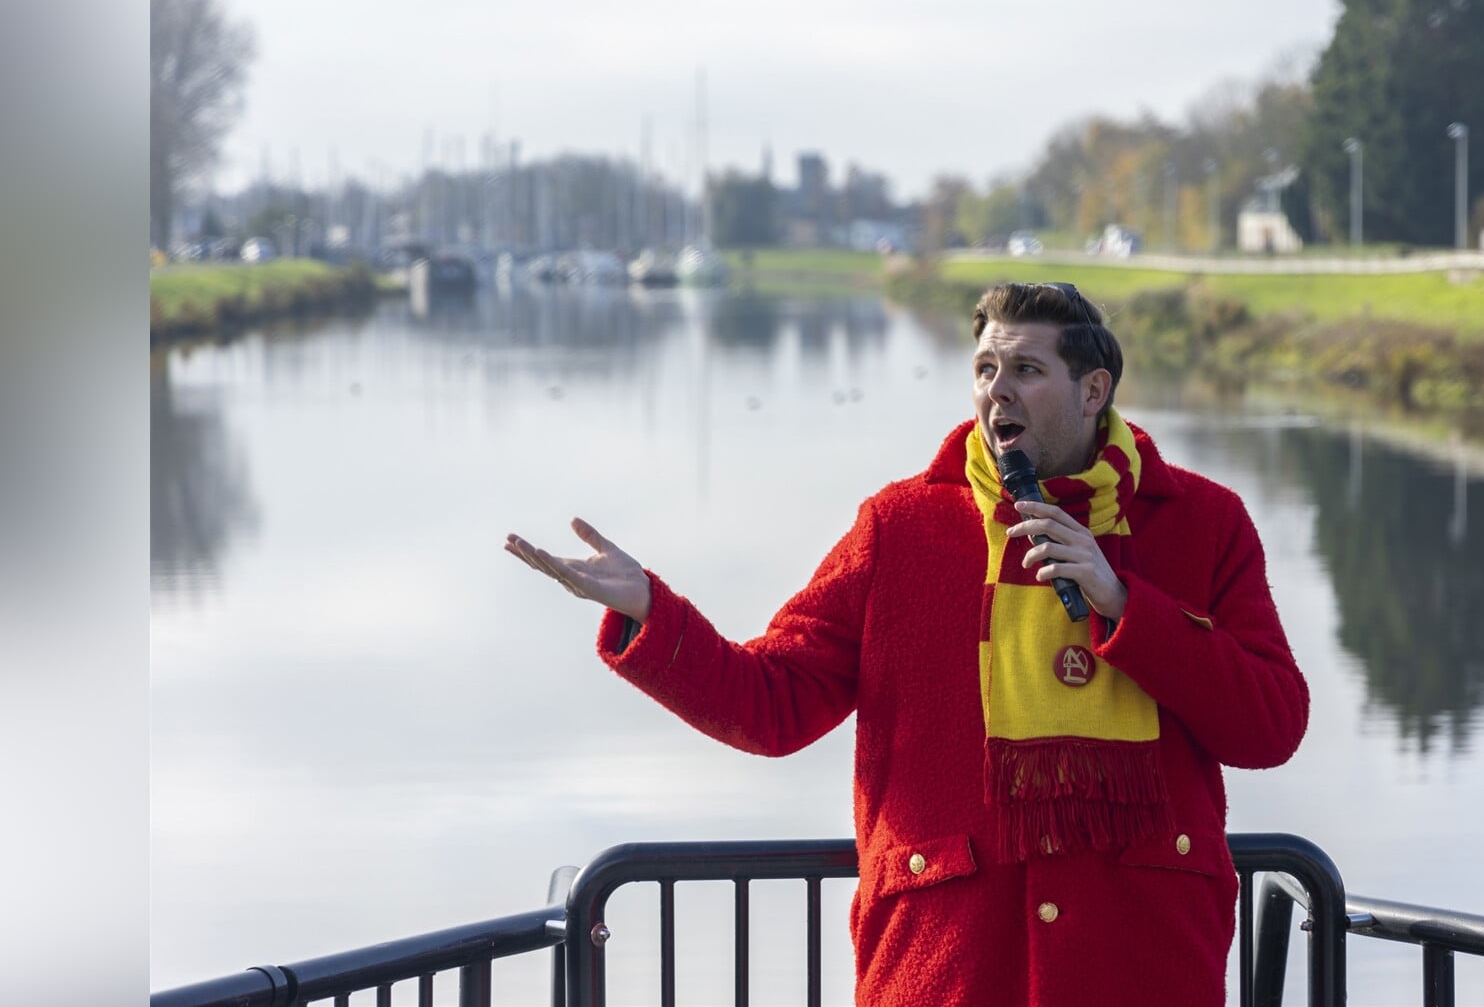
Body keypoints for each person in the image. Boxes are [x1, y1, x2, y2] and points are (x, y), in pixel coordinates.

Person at [504, 281, 1310, 1006]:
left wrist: (1126, 604)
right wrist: (652, 613)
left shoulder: (1204, 524)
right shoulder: (900, 527)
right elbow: (773, 704)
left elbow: (1271, 725)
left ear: (1092, 390)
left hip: (1144, 966)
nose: (998, 389)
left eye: (1027, 369)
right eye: (985, 368)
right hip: (945, 969)